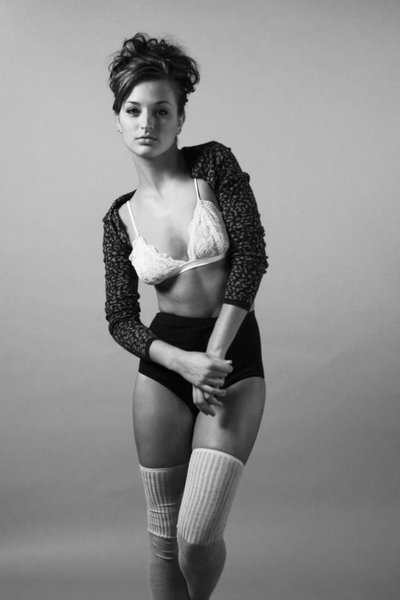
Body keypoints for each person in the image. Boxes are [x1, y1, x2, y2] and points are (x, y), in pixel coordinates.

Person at [103, 32, 268, 600]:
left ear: (180, 118)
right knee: (162, 538)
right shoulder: (119, 218)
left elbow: (251, 258)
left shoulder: (213, 165)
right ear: (118, 119)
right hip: (164, 367)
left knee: (195, 538)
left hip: (230, 359)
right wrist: (180, 362)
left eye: (161, 110)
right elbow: (120, 317)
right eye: (133, 110)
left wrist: (211, 361)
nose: (146, 122)